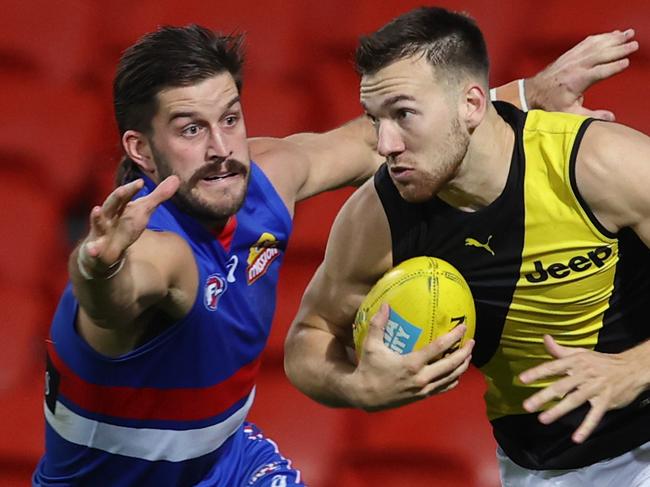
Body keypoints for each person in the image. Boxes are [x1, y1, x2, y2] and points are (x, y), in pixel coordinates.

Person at [33, 20, 637, 487]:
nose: (222, 147)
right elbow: (113, 303)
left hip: (228, 462)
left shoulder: (265, 178)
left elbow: (370, 140)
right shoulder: (151, 251)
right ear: (140, 148)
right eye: (190, 129)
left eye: (231, 118)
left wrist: (526, 93)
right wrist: (96, 266)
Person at [284, 7, 650, 487]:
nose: (384, 143)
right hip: (542, 467)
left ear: (473, 104)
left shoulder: (598, 162)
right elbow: (308, 337)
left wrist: (636, 367)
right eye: (375, 120)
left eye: (403, 114)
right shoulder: (379, 216)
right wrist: (358, 387)